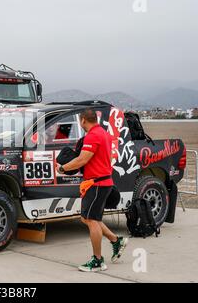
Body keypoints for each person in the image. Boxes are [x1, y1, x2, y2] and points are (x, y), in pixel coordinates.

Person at [56, 109, 128, 272]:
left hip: (97, 184)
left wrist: (62, 168)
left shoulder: (93, 136)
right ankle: (116, 240)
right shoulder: (103, 133)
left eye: (81, 122)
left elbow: (82, 159)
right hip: (99, 182)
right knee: (88, 218)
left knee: (91, 220)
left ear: (83, 121)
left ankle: (97, 260)